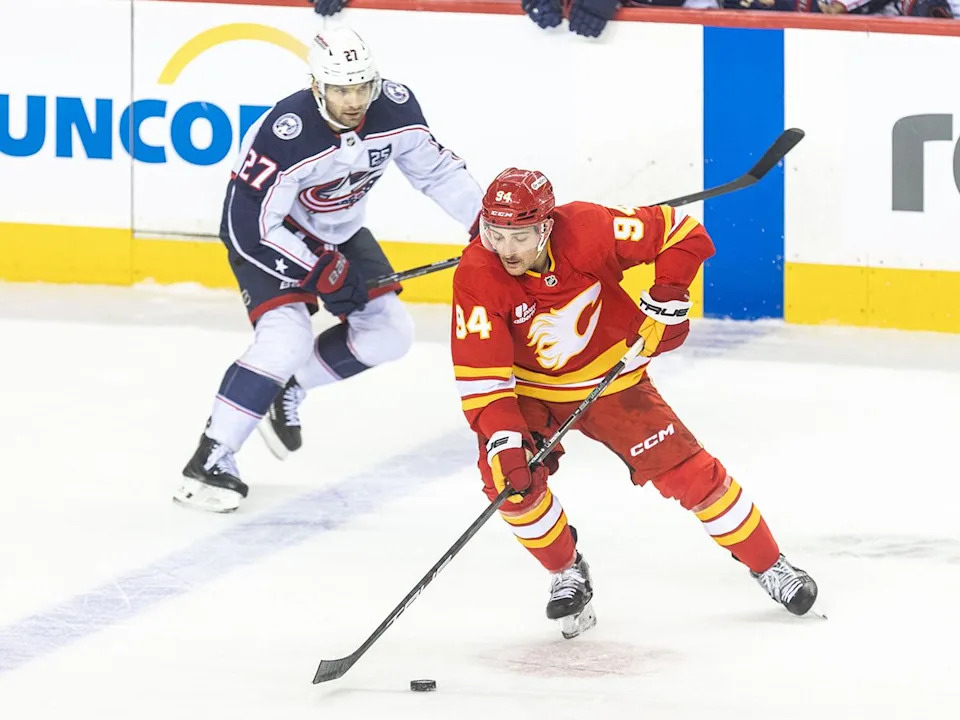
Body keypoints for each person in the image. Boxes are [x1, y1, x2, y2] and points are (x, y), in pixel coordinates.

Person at [450, 168, 818, 638]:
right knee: (508, 480)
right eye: (495, 234)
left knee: (692, 474)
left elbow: (685, 235)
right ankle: (567, 572)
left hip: (612, 379)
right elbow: (482, 374)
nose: (505, 250)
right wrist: (505, 442)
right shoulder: (477, 272)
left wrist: (669, 291)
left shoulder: (588, 228)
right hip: (528, 394)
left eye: (519, 236)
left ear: (546, 226)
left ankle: (771, 566)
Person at [175, 27, 482, 513]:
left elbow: (438, 172)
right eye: (341, 89)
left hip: (340, 232)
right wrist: (319, 270)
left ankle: (290, 387)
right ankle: (210, 459)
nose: (355, 99)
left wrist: (486, 225)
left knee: (390, 334)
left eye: (363, 85)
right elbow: (245, 225)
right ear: (317, 86)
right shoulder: (287, 132)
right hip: (272, 239)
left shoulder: (395, 109)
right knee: (285, 341)